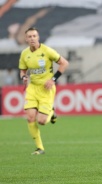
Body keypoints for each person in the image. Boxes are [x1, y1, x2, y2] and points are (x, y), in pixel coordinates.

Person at [19, 27, 69, 155]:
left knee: (41, 121)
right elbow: (23, 70)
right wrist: (24, 76)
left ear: (38, 37)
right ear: (26, 39)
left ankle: (52, 114)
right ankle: (39, 148)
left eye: (34, 36)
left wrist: (53, 79)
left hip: (46, 89)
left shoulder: (47, 51)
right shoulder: (25, 54)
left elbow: (64, 63)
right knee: (30, 117)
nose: (32, 39)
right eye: (29, 36)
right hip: (32, 88)